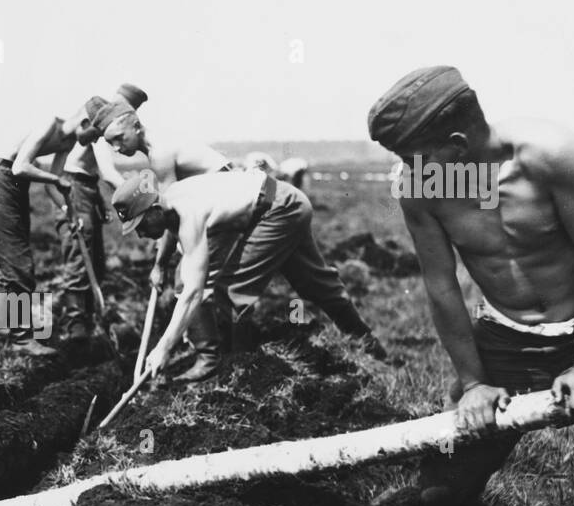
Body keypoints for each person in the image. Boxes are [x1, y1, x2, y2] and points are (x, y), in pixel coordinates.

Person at [368, 65, 574, 506]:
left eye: (413, 158)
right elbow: (442, 288)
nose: (405, 171)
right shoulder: (419, 188)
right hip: (510, 339)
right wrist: (473, 381)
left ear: (456, 142)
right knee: (436, 496)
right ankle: (469, 505)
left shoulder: (550, 154)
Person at [117, 161, 384, 384]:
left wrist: (164, 347)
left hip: (279, 209)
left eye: (140, 224)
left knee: (231, 290)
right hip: (285, 202)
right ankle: (368, 344)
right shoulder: (169, 199)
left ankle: (238, 372)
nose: (140, 234)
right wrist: (160, 264)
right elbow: (168, 226)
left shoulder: (189, 213)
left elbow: (193, 291)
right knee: (315, 284)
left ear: (153, 209)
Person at [0, 87, 148, 356]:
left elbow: (52, 187)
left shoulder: (70, 141)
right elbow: (20, 167)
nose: (92, 142)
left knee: (13, 260)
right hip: (0, 177)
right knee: (18, 262)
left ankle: (3, 327)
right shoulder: (50, 124)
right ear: (84, 123)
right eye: (93, 134)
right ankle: (22, 339)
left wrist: (67, 210)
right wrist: (56, 181)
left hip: (13, 183)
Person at [55, 84, 149, 343]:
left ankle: (89, 319)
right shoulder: (100, 123)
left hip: (86, 188)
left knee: (94, 258)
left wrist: (98, 202)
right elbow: (107, 173)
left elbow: (95, 172)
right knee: (79, 256)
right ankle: (76, 327)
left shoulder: (103, 121)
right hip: (74, 188)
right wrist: (139, 198)